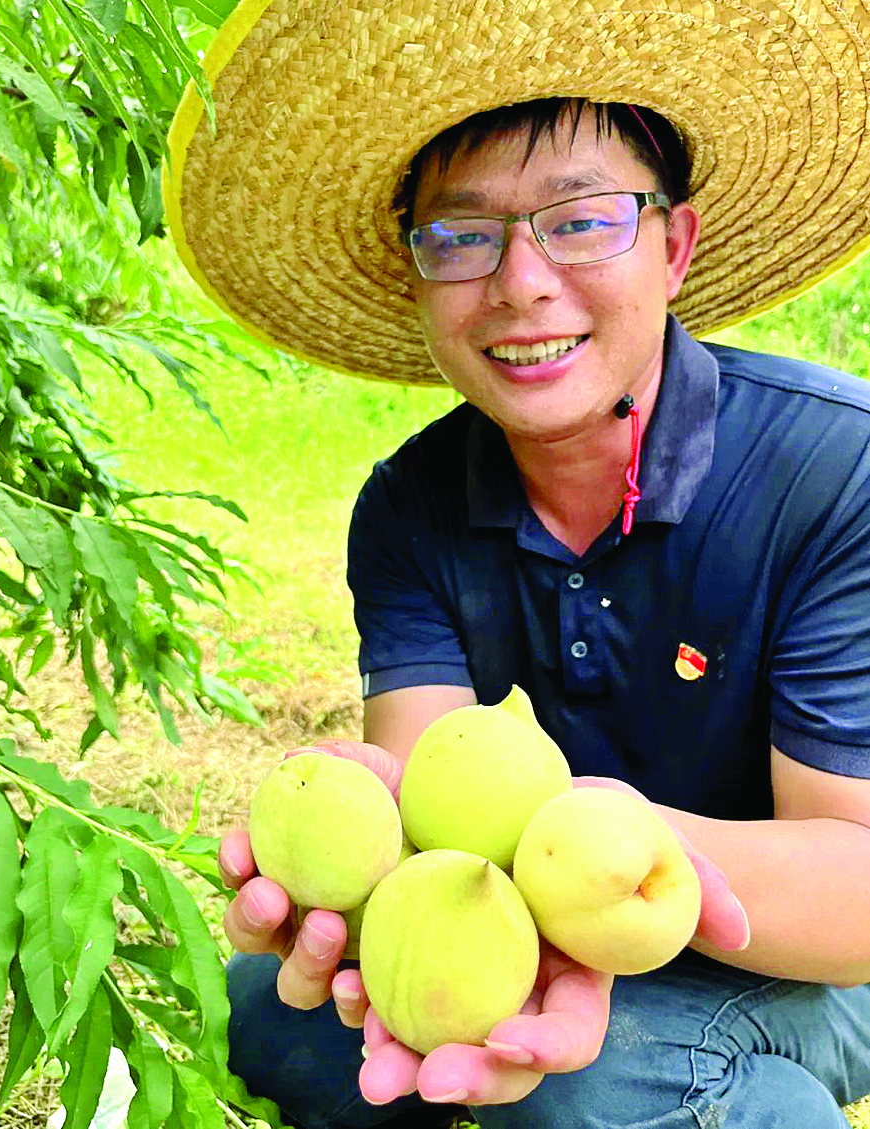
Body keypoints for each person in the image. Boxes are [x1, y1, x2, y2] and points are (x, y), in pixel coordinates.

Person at [164, 1, 870, 1125]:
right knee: (268, 1012)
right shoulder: (409, 506)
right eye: (462, 234)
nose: (521, 283)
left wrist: (604, 850)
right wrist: (346, 854)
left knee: (588, 1086)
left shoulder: (835, 466)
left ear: (675, 246)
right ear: (417, 276)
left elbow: (859, 896)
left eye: (582, 219)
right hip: (529, 934)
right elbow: (432, 847)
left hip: (801, 954)